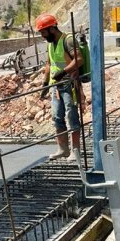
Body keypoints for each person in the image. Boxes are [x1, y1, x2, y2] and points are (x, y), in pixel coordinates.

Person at [35, 12, 83, 160]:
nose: (42, 35)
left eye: (43, 32)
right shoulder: (50, 45)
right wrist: (44, 85)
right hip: (56, 86)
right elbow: (49, 65)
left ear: (52, 29)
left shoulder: (67, 40)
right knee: (57, 117)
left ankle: (75, 151)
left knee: (72, 117)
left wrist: (64, 72)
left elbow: (79, 59)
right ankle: (63, 149)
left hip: (70, 85)